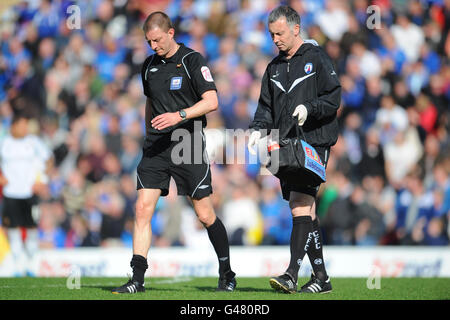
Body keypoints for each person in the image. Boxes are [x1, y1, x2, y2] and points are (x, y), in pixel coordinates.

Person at [111, 11, 236, 294]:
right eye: (148, 42)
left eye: (156, 40)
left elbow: (212, 101)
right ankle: (137, 280)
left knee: (204, 214)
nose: (153, 46)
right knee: (142, 209)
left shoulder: (192, 60)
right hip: (156, 147)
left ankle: (227, 272)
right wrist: (148, 133)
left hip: (187, 143)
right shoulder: (148, 66)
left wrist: (179, 115)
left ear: (170, 33)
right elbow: (150, 103)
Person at [247, 6, 341, 294]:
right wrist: (256, 129)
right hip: (285, 145)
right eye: (272, 34)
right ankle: (322, 278)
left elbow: (334, 97)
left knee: (300, 202)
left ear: (296, 28)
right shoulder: (273, 67)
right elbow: (266, 107)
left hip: (314, 141)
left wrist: (308, 109)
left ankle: (291, 274)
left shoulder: (317, 58)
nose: (275, 39)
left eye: (280, 33)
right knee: (303, 210)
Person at [0, 113, 52, 276]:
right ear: (13, 126)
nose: (25, 129)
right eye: (22, 125)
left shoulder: (34, 143)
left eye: (26, 125)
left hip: (30, 193)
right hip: (11, 193)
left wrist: (43, 179)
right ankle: (17, 266)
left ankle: (31, 263)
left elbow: (49, 160)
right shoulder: (4, 143)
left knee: (31, 227)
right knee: (13, 228)